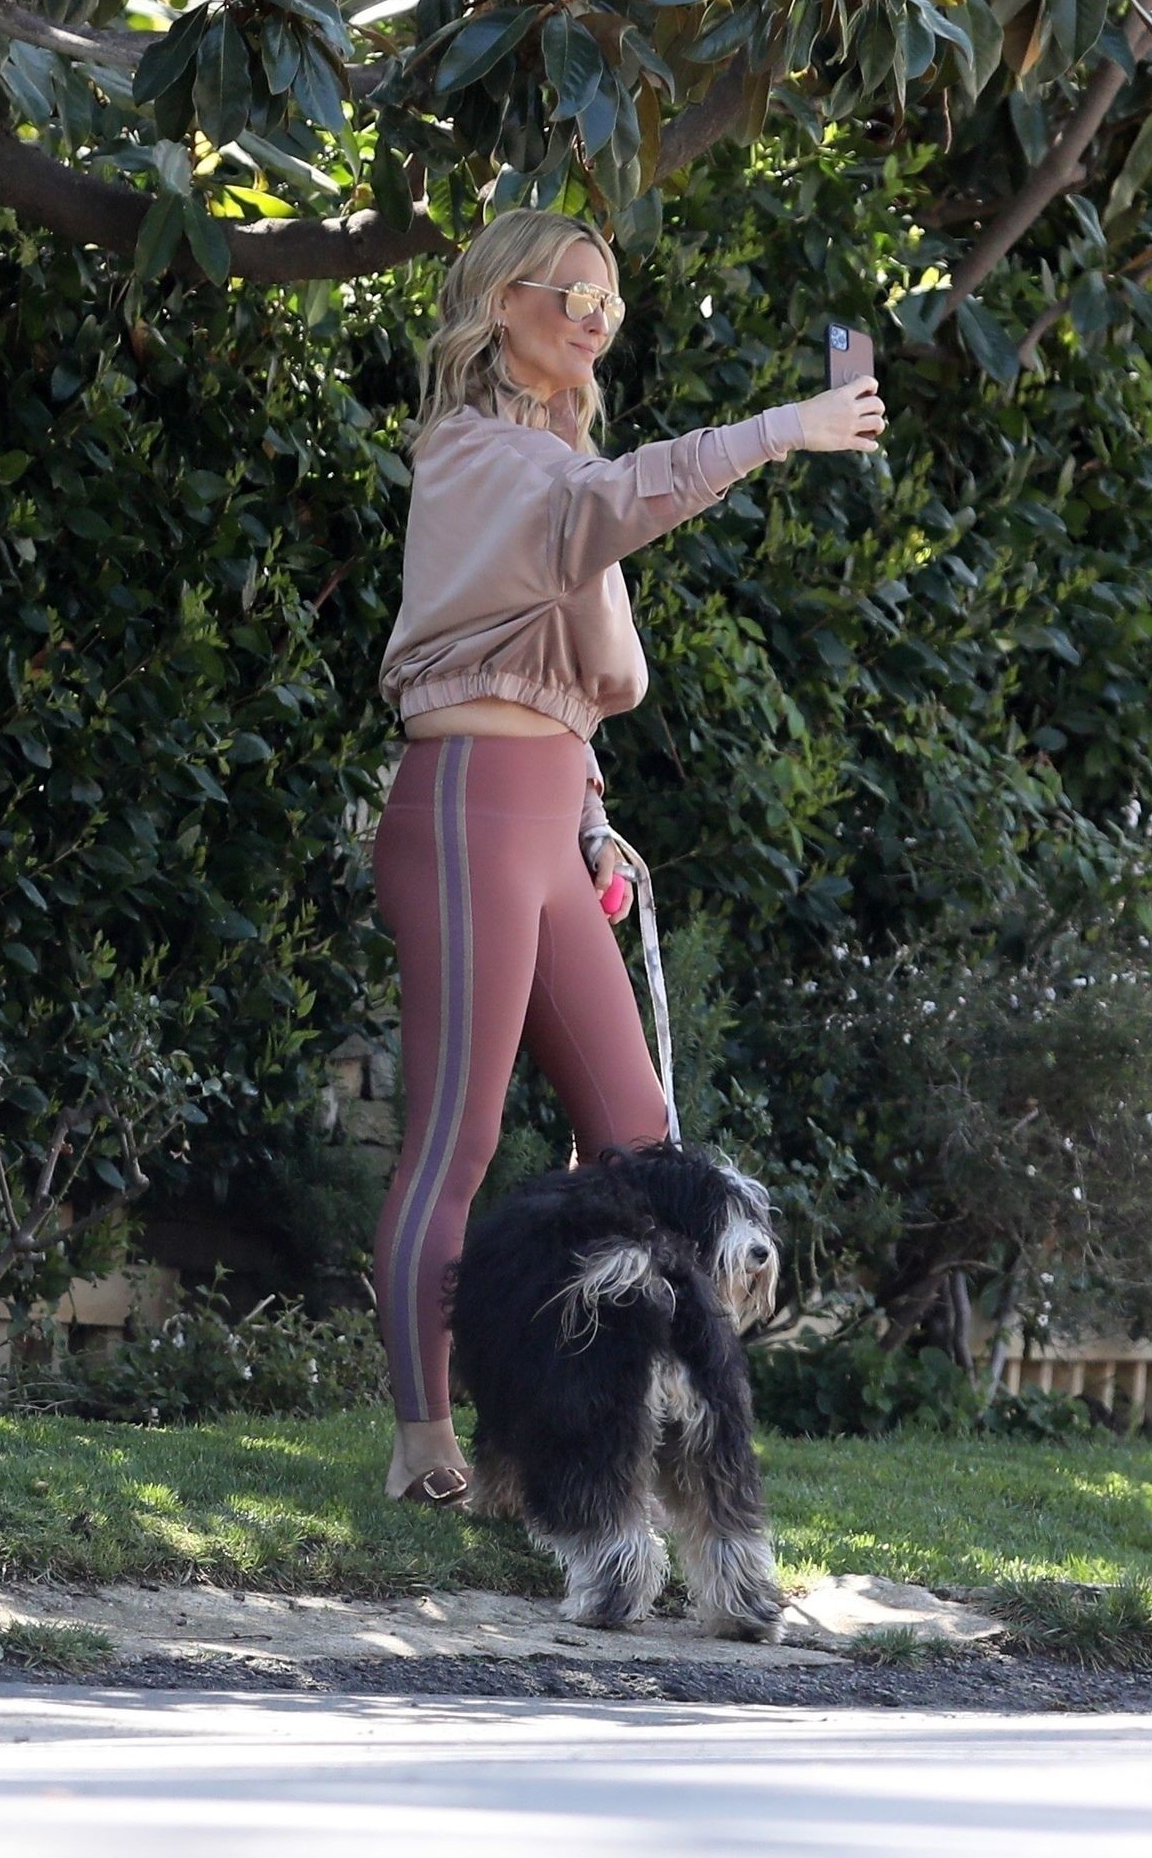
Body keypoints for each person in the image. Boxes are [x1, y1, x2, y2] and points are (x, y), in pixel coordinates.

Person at [370, 208, 886, 1505]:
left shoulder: (554, 465)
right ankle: (427, 1439)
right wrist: (783, 429)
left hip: (546, 819)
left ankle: (595, 1436)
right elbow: (611, 506)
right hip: (467, 808)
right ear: (502, 305)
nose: (596, 321)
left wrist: (590, 810)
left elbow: (563, 676)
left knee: (642, 1147)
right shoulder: (479, 457)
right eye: (572, 296)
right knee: (457, 1140)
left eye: (609, 303)